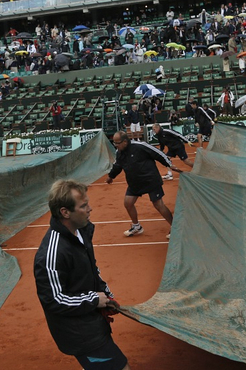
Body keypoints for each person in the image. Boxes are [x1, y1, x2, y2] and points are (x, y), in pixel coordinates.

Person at [34, 180, 129, 370]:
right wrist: (94, 300)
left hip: (91, 322)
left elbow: (90, 268)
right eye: (83, 206)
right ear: (65, 212)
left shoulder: (81, 231)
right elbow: (53, 299)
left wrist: (105, 294)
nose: (90, 209)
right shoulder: (52, 253)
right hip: (80, 334)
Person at [106, 131, 182, 238]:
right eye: (115, 143)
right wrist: (111, 176)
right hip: (135, 183)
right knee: (128, 203)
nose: (116, 146)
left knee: (158, 205)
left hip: (150, 180)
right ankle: (137, 227)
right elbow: (118, 165)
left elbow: (158, 153)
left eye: (117, 143)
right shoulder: (119, 152)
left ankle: (175, 227)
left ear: (125, 141)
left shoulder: (140, 146)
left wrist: (169, 164)